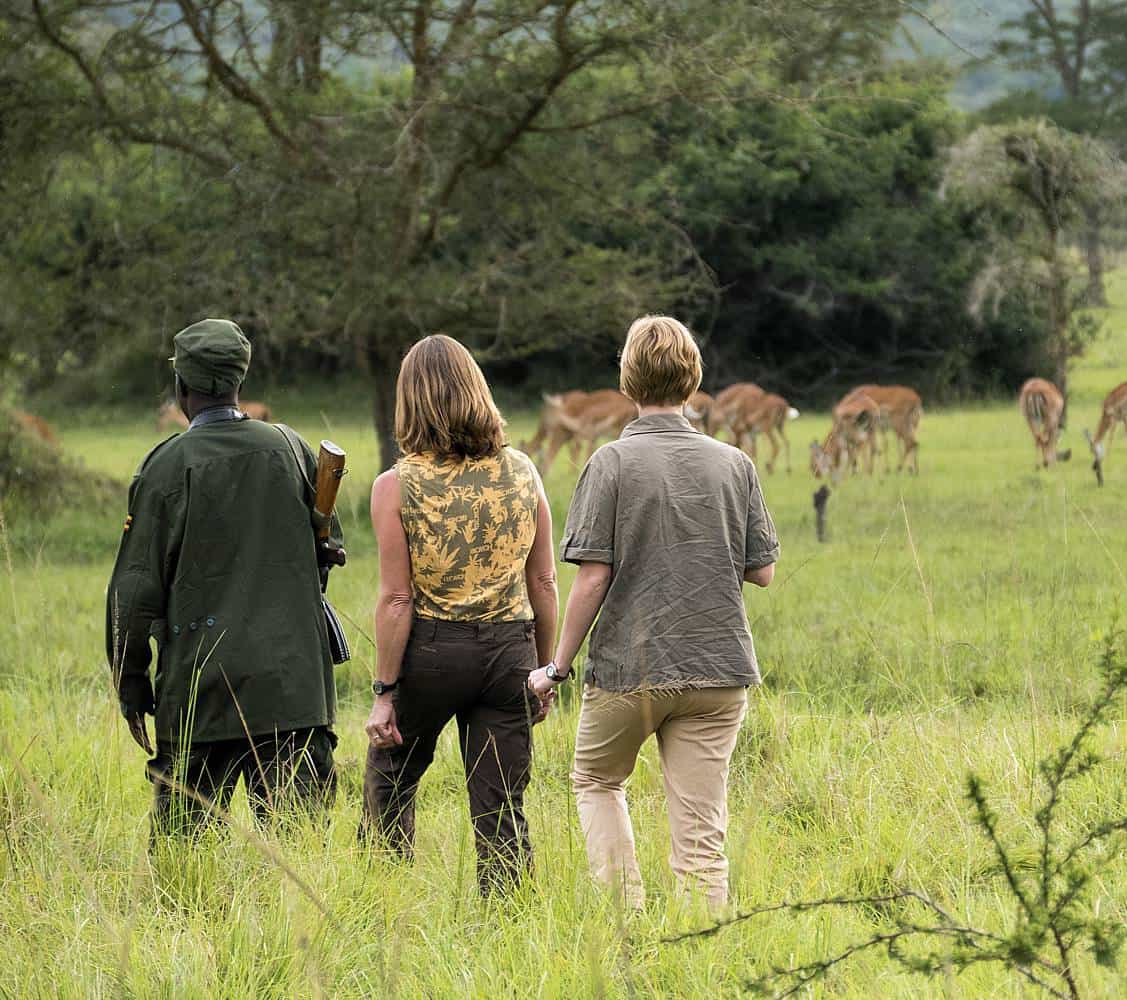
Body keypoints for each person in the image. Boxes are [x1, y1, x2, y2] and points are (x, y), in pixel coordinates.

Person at [529, 315, 779, 910]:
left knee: (595, 779)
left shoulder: (610, 464)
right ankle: (703, 951)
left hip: (628, 669)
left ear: (627, 380)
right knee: (701, 833)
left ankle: (626, 918)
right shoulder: (735, 464)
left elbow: (593, 576)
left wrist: (555, 669)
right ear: (694, 380)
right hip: (718, 669)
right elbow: (762, 570)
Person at [105, 319, 343, 834]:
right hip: (293, 692)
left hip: (199, 692)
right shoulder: (292, 449)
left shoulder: (166, 466)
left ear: (180, 388)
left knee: (183, 858)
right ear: (241, 379)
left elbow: (133, 593)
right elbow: (329, 551)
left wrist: (131, 688)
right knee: (300, 860)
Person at [361, 334, 559, 895]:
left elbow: (397, 598)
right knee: (500, 806)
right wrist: (544, 672)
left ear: (411, 402)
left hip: (431, 652)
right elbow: (542, 581)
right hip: (510, 653)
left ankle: (383, 902)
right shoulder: (524, 472)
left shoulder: (395, 485)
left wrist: (384, 692)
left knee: (390, 779)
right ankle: (507, 926)